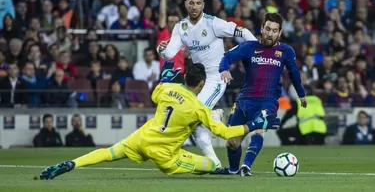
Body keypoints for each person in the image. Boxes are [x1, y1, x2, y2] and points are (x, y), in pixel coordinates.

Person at [39, 62, 280, 180]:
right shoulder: (198, 108)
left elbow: (156, 91)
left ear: (185, 78)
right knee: (210, 167)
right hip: (165, 155)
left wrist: (165, 76)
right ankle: (211, 169)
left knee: (108, 152)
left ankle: (72, 164)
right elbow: (226, 133)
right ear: (201, 84)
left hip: (142, 137)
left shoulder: (167, 89)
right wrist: (253, 125)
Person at [157, 0, 257, 168]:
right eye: (191, 3)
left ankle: (214, 117)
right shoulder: (181, 27)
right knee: (196, 125)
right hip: (199, 82)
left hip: (217, 78)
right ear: (186, 4)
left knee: (194, 115)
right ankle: (216, 165)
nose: (194, 7)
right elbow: (170, 52)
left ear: (203, 5)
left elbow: (240, 32)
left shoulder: (213, 23)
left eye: (198, 3)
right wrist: (161, 49)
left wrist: (256, 48)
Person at [214, 13, 307, 176]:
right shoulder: (249, 47)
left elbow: (294, 73)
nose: (270, 33)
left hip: (268, 101)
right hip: (244, 101)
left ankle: (246, 166)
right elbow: (227, 56)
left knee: (259, 130)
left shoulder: (286, 51)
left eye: (274, 30)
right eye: (268, 29)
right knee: (232, 142)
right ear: (262, 28)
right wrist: (224, 69)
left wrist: (301, 94)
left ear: (280, 32)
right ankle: (234, 170)